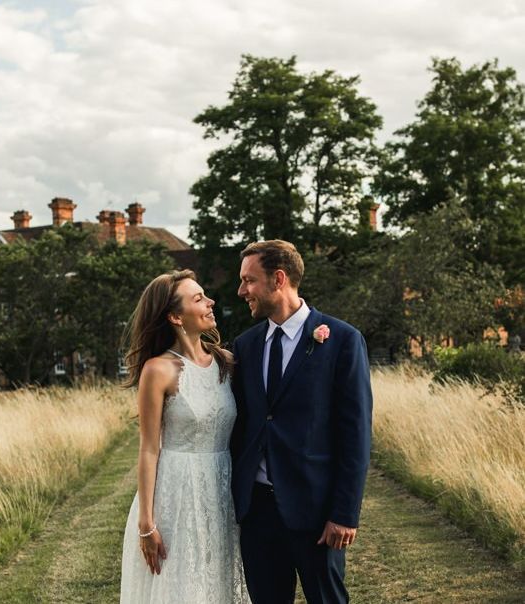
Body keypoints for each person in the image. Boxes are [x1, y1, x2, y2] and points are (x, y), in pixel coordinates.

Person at [231, 240, 373, 604]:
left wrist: (344, 513)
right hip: (258, 513)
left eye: (249, 280)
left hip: (317, 512)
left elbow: (355, 434)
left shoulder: (342, 340)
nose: (241, 290)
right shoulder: (245, 347)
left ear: (278, 279)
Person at [120, 270, 250, 603]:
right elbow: (149, 449)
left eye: (205, 296)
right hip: (176, 493)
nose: (210, 303)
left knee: (217, 581)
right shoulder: (158, 370)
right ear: (176, 317)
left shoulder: (228, 363)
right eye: (198, 299)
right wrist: (146, 524)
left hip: (222, 490)